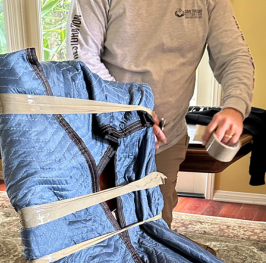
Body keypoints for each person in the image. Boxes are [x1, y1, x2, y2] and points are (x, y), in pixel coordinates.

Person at [66, 0, 255, 227]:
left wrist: (235, 106)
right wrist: (133, 110)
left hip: (166, 139)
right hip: (100, 131)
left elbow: (235, 56)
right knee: (90, 228)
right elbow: (81, 58)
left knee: (155, 228)